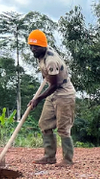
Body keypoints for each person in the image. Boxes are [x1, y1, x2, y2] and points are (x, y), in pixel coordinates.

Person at [27, 30, 76, 167]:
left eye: (35, 46)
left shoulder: (51, 61)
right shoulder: (40, 55)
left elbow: (54, 85)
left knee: (63, 128)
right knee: (44, 124)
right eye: (31, 46)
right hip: (53, 93)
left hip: (64, 94)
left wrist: (38, 98)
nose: (33, 49)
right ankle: (49, 157)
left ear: (43, 46)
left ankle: (68, 160)